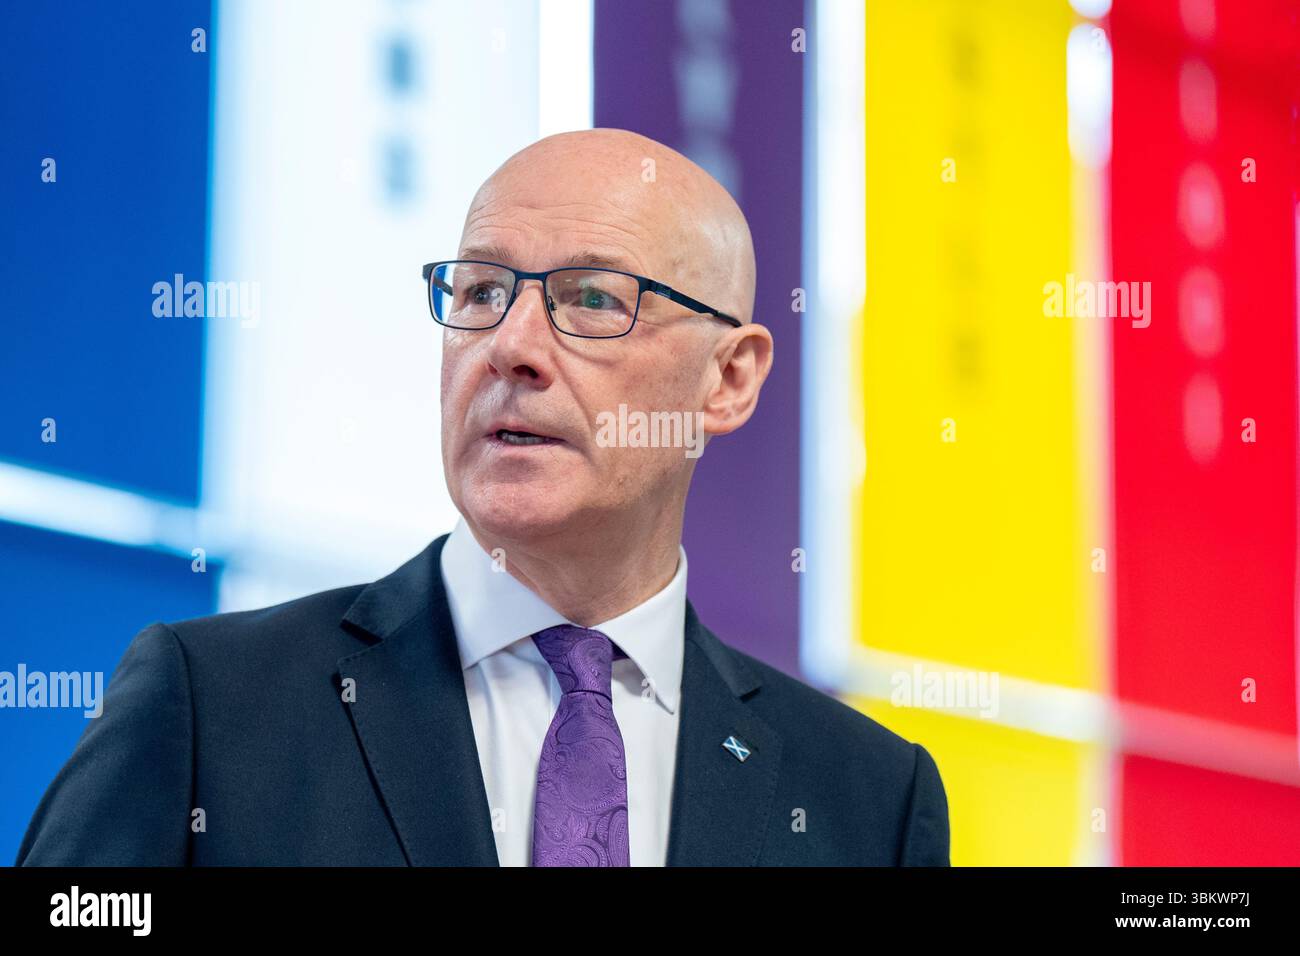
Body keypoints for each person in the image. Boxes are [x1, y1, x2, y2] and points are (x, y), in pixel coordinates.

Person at [17, 128, 949, 866]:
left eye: (592, 298)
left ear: (729, 379)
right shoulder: (211, 708)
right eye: (481, 291)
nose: (512, 346)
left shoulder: (867, 796)